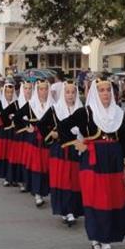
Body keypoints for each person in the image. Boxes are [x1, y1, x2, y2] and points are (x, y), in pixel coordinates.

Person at [76, 78, 125, 249]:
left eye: (107, 90)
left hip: (112, 163)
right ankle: (102, 240)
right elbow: (69, 131)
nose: (105, 93)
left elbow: (124, 142)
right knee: (96, 199)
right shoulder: (87, 113)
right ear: (95, 94)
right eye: (101, 90)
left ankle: (103, 237)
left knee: (110, 199)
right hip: (92, 162)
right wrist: (78, 145)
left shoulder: (118, 113)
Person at [49, 82, 85, 227]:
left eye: (73, 92)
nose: (70, 95)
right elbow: (49, 130)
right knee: (63, 179)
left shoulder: (81, 110)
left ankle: (74, 209)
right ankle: (65, 210)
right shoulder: (56, 110)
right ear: (63, 94)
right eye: (68, 92)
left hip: (76, 149)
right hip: (61, 149)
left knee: (74, 180)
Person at [24, 80, 55, 207]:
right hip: (36, 140)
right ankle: (38, 193)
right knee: (38, 166)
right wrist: (27, 127)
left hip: (50, 140)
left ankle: (50, 191)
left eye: (45, 89)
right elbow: (19, 119)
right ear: (37, 91)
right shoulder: (31, 104)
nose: (43, 92)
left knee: (49, 166)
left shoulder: (54, 105)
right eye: (41, 89)